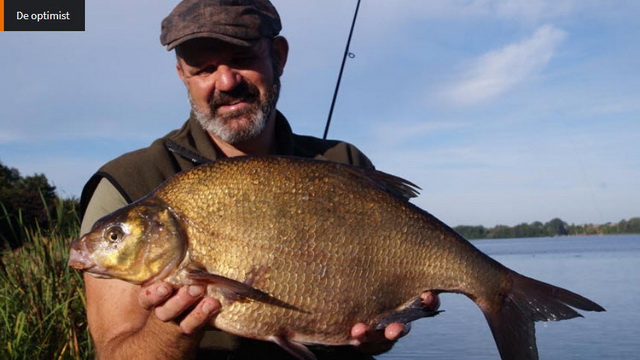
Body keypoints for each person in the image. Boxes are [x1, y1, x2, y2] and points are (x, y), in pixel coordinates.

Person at [79, 0, 440, 359]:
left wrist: (387, 324)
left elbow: (383, 314)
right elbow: (114, 352)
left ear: (278, 56)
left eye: (242, 59)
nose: (226, 81)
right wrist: (172, 329)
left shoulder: (343, 163)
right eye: (204, 68)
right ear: (182, 75)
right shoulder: (127, 184)